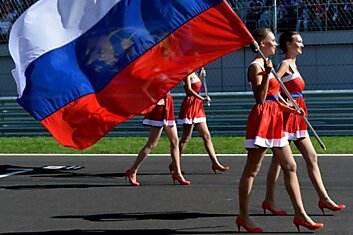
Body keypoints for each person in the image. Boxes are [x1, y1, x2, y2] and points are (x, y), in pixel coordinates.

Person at [236, 28, 323, 233]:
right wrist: (266, 75)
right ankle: (244, 216)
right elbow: (261, 98)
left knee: (290, 165)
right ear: (261, 43)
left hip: (275, 117)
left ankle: (300, 215)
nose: (276, 44)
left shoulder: (269, 65)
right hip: (262, 119)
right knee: (252, 170)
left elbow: (275, 98)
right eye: (272, 40)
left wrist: (291, 108)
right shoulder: (255, 66)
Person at [262, 31, 345, 216]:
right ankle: (269, 200)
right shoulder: (284, 64)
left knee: (312, 156)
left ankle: (323, 198)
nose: (302, 45)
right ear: (289, 44)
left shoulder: (294, 65)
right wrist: (286, 104)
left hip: (298, 117)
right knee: (278, 162)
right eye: (299, 42)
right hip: (285, 118)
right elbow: (271, 89)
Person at [125, 92, 190, 186]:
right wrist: (153, 99)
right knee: (152, 144)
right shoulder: (155, 77)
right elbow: (144, 88)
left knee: (175, 142)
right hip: (159, 107)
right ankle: (133, 170)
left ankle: (177, 173)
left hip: (168, 103)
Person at [177, 69, 230, 174]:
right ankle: (175, 163)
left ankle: (215, 162)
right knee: (186, 138)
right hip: (190, 105)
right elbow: (189, 89)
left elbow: (196, 87)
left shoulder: (195, 73)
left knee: (206, 136)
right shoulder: (187, 73)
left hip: (198, 107)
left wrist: (201, 77)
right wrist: (202, 98)